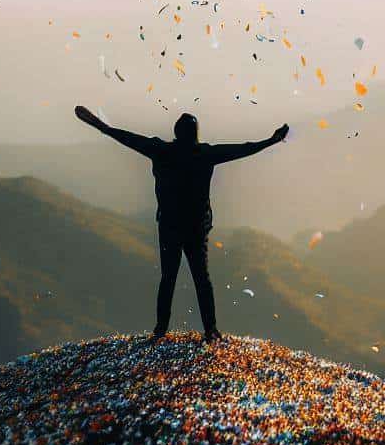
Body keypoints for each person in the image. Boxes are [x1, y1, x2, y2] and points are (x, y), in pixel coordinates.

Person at [74, 106, 289, 343]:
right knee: (202, 279)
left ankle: (160, 330)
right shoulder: (204, 153)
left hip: (169, 226)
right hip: (196, 227)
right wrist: (271, 140)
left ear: (176, 132)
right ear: (196, 133)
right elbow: (243, 149)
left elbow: (127, 138)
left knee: (168, 278)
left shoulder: (161, 150)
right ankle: (211, 330)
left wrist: (102, 126)